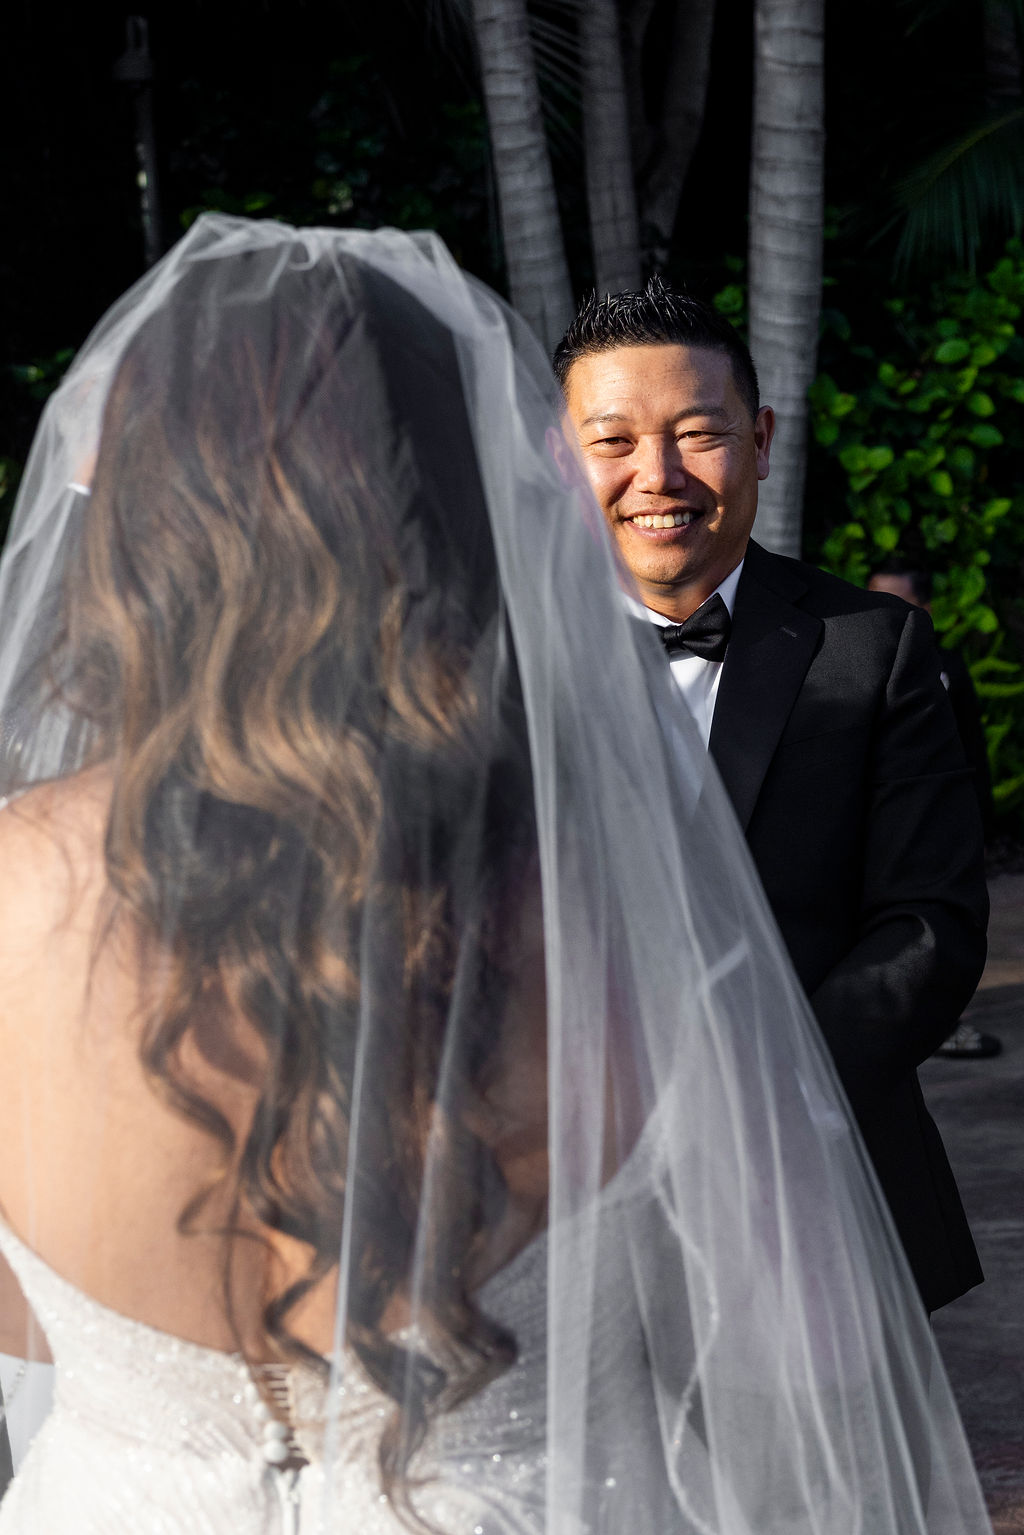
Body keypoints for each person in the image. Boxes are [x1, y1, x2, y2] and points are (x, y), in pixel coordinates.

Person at [0, 216, 990, 1533]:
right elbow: (804, 1356)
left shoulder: (15, 883)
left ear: (119, 516)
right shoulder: (599, 895)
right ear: (488, 501)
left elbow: (24, 1323)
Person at [555, 280, 989, 1315]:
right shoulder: (488, 662)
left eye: (698, 433)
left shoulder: (874, 648)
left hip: (817, 1194)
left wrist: (763, 1098)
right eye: (612, 441)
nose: (657, 475)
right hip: (557, 1207)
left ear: (759, 440)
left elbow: (928, 923)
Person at [868, 561, 1001, 1061]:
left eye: (896, 602)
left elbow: (971, 748)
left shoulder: (943, 667)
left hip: (935, 821)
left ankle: (946, 1023)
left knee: (939, 927)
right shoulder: (842, 660)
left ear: (924, 610)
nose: (882, 612)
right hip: (875, 822)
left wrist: (980, 823)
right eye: (872, 598)